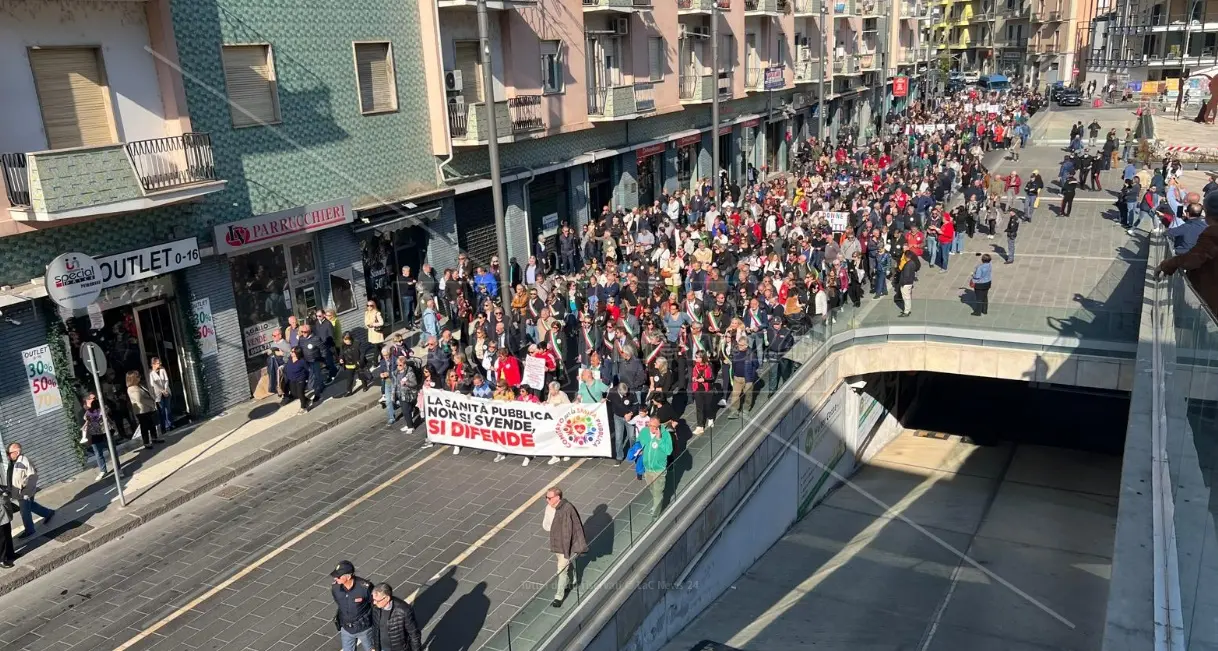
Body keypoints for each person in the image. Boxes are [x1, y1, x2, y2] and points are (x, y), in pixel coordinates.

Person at [542, 486, 588, 608]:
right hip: (555, 542)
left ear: (557, 497)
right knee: (564, 564)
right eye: (546, 497)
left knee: (561, 570)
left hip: (564, 545)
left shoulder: (567, 509)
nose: (547, 500)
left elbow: (575, 527)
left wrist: (578, 546)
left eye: (549, 498)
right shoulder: (549, 508)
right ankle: (572, 580)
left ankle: (559, 596)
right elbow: (546, 524)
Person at [6, 443, 54, 539]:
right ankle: (48, 513)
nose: (8, 455)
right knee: (31, 505)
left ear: (17, 452)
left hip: (24, 492)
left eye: (9, 453)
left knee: (24, 511)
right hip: (19, 491)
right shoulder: (14, 462)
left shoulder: (22, 462)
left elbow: (32, 477)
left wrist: (26, 493)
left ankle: (29, 530)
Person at [330, 560, 376, 651]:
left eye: (338, 576)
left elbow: (375, 604)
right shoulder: (335, 588)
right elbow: (339, 604)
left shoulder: (364, 588)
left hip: (364, 629)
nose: (335, 578)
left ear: (348, 576)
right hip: (346, 628)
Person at [634, 417, 673, 515]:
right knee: (651, 488)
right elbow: (638, 442)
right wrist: (638, 450)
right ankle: (656, 505)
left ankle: (656, 513)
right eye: (649, 425)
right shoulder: (644, 432)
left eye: (654, 426)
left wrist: (659, 439)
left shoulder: (665, 434)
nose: (651, 428)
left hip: (659, 469)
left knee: (658, 491)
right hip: (647, 468)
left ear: (659, 426)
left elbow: (668, 451)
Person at [81, 392, 122, 480]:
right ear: (87, 401)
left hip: (106, 431)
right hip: (95, 434)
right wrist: (88, 406)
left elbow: (106, 411)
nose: (94, 400)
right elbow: (85, 418)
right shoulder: (87, 411)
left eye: (95, 398)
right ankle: (103, 470)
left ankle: (118, 469)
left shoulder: (102, 407)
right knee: (98, 453)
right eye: (92, 399)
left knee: (112, 451)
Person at [371, 583, 423, 651]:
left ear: (387, 598)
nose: (374, 603)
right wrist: (374, 646)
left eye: (377, 600)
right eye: (373, 599)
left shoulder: (404, 610)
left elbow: (414, 635)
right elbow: (375, 628)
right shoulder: (376, 607)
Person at [126, 370, 160, 449]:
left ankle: (154, 438)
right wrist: (151, 402)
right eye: (137, 376)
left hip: (148, 408)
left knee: (152, 424)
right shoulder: (131, 388)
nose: (139, 377)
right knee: (144, 426)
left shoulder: (139, 385)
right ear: (133, 378)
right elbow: (139, 399)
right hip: (141, 411)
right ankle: (146, 442)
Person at [283, 347, 311, 414]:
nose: (291, 353)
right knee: (294, 394)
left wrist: (307, 378)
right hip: (292, 379)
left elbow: (308, 370)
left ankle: (303, 407)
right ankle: (306, 400)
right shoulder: (290, 358)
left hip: (300, 379)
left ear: (297, 353)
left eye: (292, 352)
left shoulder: (302, 361)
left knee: (300, 393)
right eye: (291, 351)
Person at [148, 357, 172, 433]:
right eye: (158, 363)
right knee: (161, 411)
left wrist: (165, 390)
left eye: (160, 362)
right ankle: (164, 426)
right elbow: (153, 384)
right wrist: (162, 390)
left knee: (168, 409)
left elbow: (166, 380)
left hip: (166, 391)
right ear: (153, 364)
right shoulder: (151, 373)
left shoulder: (162, 370)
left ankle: (170, 424)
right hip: (158, 394)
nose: (160, 364)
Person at [897, 249, 920, 317]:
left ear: (906, 256)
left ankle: (906, 311)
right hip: (910, 282)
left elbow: (906, 276)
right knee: (908, 297)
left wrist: (902, 283)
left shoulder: (907, 265)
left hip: (906, 284)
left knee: (906, 297)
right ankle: (908, 310)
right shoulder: (912, 263)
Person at [0, 481, 14, 568]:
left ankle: (10, 554)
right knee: (2, 539)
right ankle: (2, 560)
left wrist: (6, 492)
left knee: (8, 535)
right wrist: (4, 496)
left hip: (5, 515)